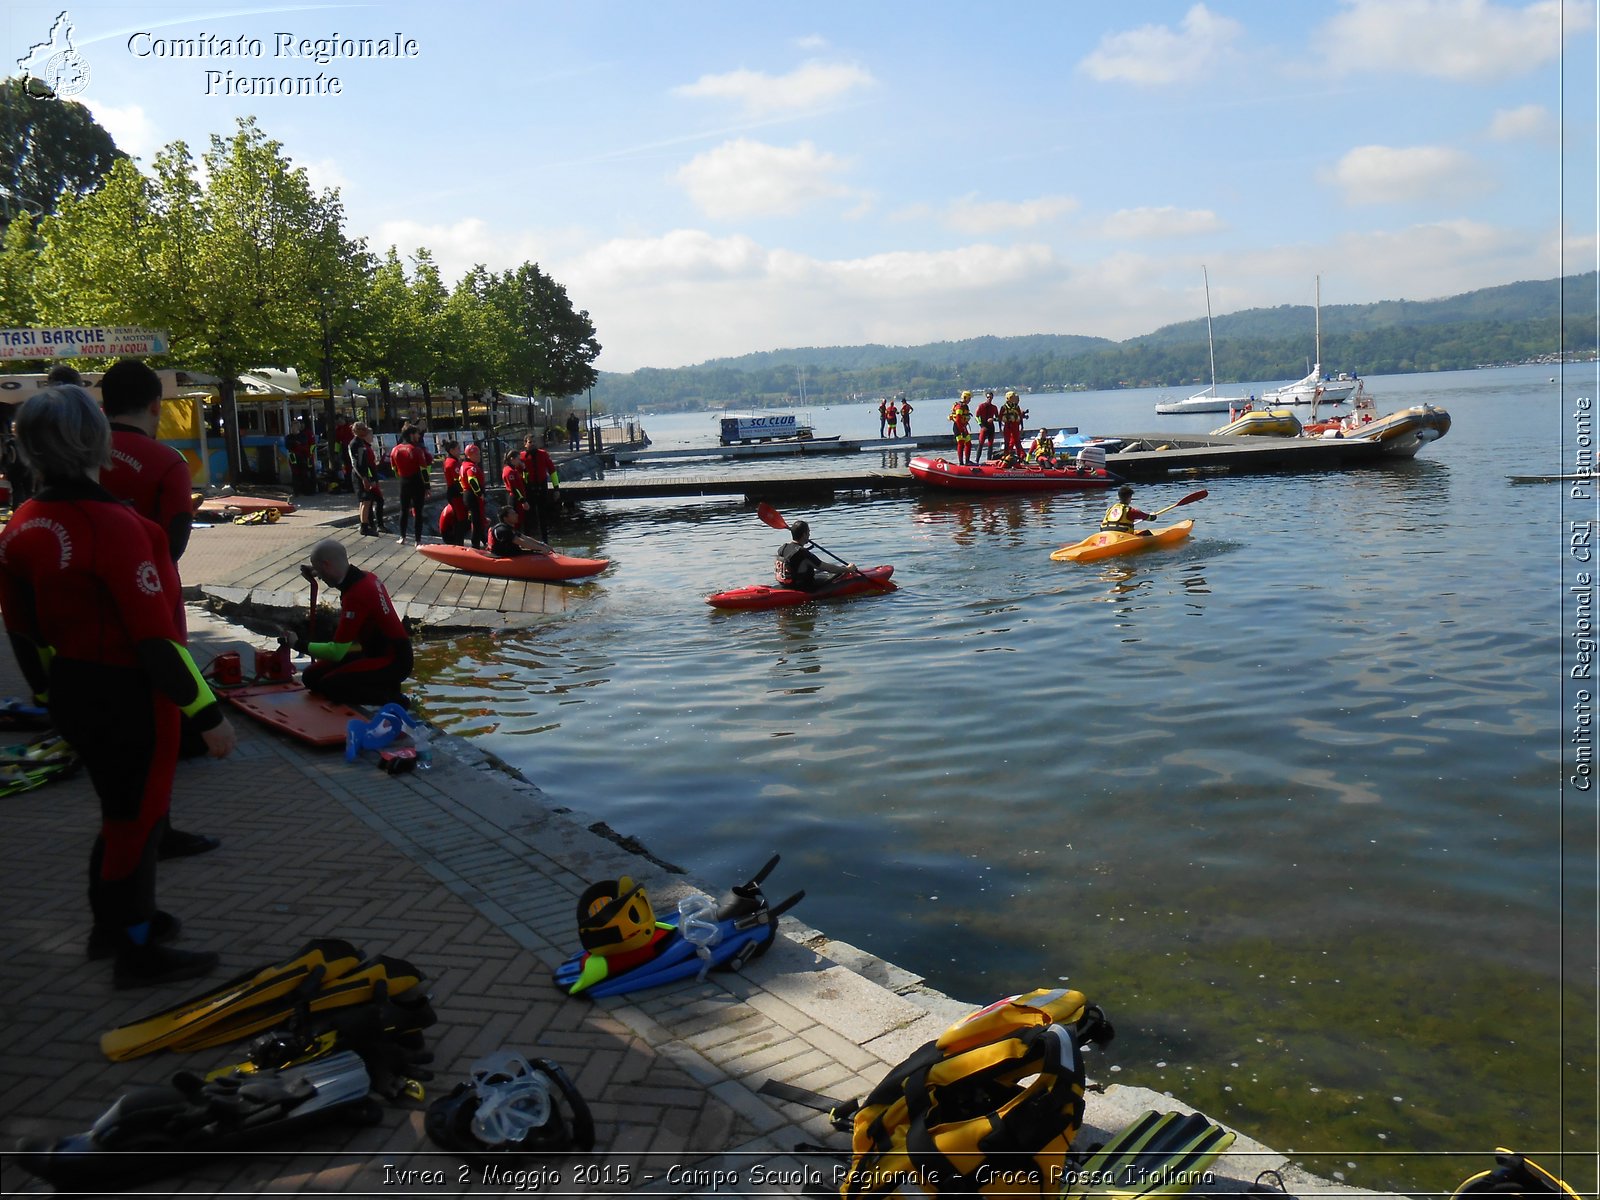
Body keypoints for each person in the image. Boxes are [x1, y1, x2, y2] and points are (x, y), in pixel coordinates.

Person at [0, 385, 236, 986]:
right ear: (97, 441)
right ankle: (137, 951)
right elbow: (156, 640)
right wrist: (208, 715)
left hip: (73, 689)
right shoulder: (114, 526)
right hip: (130, 692)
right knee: (138, 822)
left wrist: (50, 698)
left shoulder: (22, 524)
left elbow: (21, 631)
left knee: (117, 814)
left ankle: (114, 928)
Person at [284, 538, 412, 706]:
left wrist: (297, 644)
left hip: (393, 661)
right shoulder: (366, 576)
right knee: (311, 677)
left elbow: (336, 651)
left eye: (320, 571)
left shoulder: (357, 596)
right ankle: (379, 685)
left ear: (327, 565)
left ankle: (394, 699)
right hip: (371, 650)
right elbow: (339, 578)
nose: (319, 576)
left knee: (330, 686)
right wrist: (317, 571)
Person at [774, 520, 853, 591]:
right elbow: (827, 568)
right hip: (803, 588)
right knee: (838, 572)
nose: (809, 535)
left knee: (818, 572)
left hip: (786, 585)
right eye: (808, 532)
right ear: (804, 535)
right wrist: (848, 569)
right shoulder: (802, 552)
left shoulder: (782, 548)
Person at [389, 423, 433, 545]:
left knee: (403, 510)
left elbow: (394, 468)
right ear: (411, 435)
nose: (419, 436)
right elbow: (424, 470)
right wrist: (427, 486)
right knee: (418, 512)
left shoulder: (395, 449)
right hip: (417, 482)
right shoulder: (417, 450)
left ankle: (402, 537)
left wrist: (402, 477)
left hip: (404, 482)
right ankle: (417, 540)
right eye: (417, 433)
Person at [519, 432, 560, 543]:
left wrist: (556, 489)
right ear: (525, 444)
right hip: (528, 489)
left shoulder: (543, 454)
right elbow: (518, 476)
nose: (533, 444)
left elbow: (552, 471)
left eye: (534, 442)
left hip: (542, 488)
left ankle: (545, 542)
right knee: (528, 518)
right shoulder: (521, 457)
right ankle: (527, 542)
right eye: (530, 442)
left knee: (542, 517)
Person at [349, 421, 383, 536]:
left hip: (364, 474)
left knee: (365, 500)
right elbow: (356, 463)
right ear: (357, 431)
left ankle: (365, 523)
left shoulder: (362, 443)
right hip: (359, 475)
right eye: (363, 429)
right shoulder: (355, 444)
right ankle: (364, 526)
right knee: (365, 500)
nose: (365, 431)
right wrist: (364, 478)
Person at [459, 443, 488, 549]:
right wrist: (479, 493)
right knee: (477, 522)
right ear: (469, 456)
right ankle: (475, 545)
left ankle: (484, 541)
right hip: (473, 496)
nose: (479, 456)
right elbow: (472, 480)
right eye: (476, 454)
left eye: (479, 454)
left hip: (468, 494)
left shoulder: (464, 465)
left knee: (477, 520)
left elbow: (460, 480)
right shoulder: (471, 467)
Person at [999, 391, 1029, 459]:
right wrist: (1000, 428)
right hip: (1007, 425)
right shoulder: (1003, 407)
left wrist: (1022, 427)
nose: (1014, 399)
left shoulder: (1017, 407)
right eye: (1013, 397)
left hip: (1015, 425)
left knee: (1017, 441)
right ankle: (1006, 456)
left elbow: (1020, 417)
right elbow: (1000, 418)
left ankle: (1019, 457)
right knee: (1007, 441)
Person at [949, 392, 974, 465]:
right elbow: (958, 419)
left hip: (963, 426)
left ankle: (967, 461)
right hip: (958, 427)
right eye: (969, 398)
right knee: (961, 443)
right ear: (965, 397)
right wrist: (961, 430)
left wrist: (964, 427)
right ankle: (961, 462)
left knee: (968, 443)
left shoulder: (965, 406)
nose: (970, 400)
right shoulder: (959, 407)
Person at [975, 390, 1000, 463]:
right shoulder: (981, 406)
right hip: (984, 427)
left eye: (991, 397)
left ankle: (989, 460)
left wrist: (993, 419)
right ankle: (977, 461)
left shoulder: (994, 407)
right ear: (986, 397)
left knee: (990, 444)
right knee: (981, 444)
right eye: (988, 397)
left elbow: (998, 418)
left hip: (991, 427)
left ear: (992, 398)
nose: (989, 398)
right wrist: (981, 425)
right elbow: (976, 417)